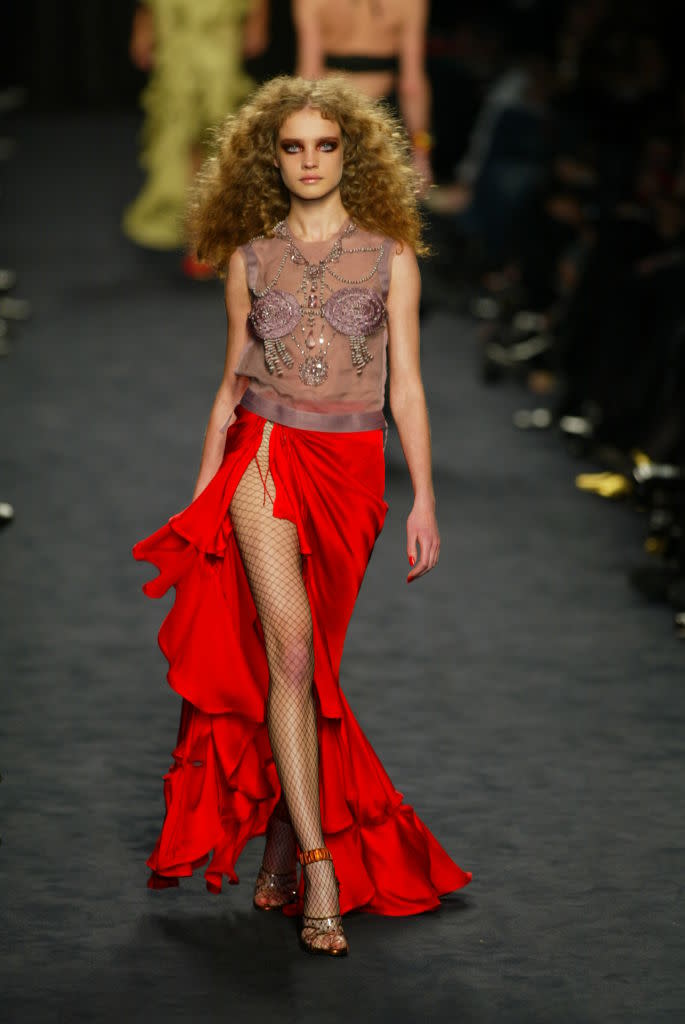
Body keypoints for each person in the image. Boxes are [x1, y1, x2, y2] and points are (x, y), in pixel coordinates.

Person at [133, 74, 471, 957]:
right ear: (269, 157)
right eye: (293, 146)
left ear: (349, 154)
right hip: (267, 455)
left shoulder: (392, 252)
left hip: (354, 470)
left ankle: (284, 837)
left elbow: (407, 386)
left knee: (314, 665)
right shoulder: (249, 255)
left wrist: (423, 498)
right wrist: (204, 490)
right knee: (287, 649)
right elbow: (231, 384)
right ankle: (320, 865)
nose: (310, 161)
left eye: (325, 145)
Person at [123, 0, 268, 277]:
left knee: (218, 132)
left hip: (218, 33)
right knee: (176, 132)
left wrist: (257, 17)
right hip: (175, 33)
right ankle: (196, 233)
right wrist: (143, 25)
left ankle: (212, 232)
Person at [292, 0, 434, 189]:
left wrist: (300, 144)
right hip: (383, 120)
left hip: (331, 116)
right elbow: (411, 85)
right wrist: (421, 153)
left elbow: (309, 75)